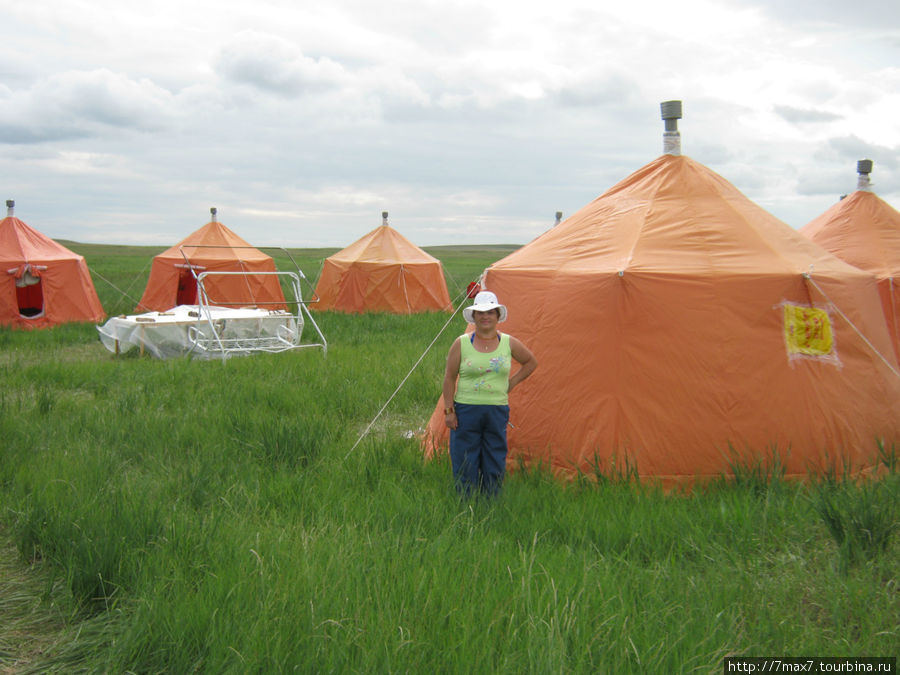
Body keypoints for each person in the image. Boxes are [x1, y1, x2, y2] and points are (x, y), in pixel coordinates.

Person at [442, 290, 537, 496]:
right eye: (480, 313)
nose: (485, 316)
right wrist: (449, 411)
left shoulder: (509, 343)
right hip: (466, 409)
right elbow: (449, 378)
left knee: (494, 455)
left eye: (490, 312)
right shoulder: (461, 343)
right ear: (474, 317)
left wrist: (512, 383)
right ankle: (465, 501)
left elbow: (530, 362)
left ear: (497, 316)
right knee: (465, 456)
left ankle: (490, 500)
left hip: (496, 410)